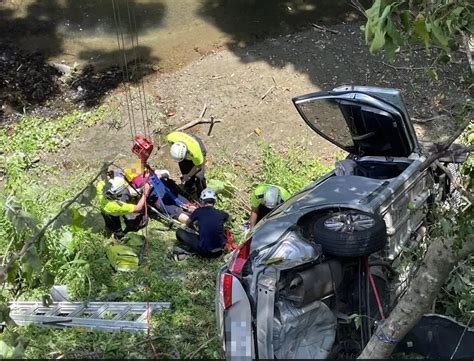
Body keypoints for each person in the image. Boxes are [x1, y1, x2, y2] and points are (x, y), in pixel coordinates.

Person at [175, 188, 229, 258]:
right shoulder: (221, 213)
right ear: (214, 201)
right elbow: (229, 217)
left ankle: (191, 249)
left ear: (202, 201)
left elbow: (188, 223)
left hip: (205, 252)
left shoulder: (198, 211)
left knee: (179, 232)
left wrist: (193, 225)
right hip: (219, 251)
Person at [96, 172, 151, 240]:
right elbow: (138, 208)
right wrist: (145, 193)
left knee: (110, 222)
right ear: (115, 195)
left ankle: (110, 228)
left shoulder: (101, 186)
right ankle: (120, 237)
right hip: (112, 212)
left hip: (104, 209)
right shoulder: (117, 206)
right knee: (117, 228)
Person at [166, 131, 207, 196]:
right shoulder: (170, 138)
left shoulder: (195, 152)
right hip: (187, 141)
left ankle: (203, 194)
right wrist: (186, 175)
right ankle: (190, 186)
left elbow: (198, 166)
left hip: (197, 147)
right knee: (184, 168)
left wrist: (189, 175)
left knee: (199, 176)